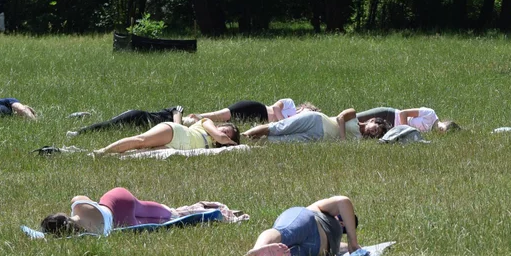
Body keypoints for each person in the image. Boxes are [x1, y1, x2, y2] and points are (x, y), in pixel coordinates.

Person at [238, 195, 360, 256]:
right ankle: (258, 249)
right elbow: (343, 201)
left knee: (281, 254)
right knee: (284, 232)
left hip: (310, 255)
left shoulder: (337, 241)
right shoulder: (318, 209)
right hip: (310, 224)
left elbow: (344, 248)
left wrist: (357, 248)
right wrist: (353, 242)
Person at [40, 188, 174, 236]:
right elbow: (87, 199)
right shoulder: (77, 203)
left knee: (156, 222)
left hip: (123, 222)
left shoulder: (88, 234)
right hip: (117, 199)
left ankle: (173, 215)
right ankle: (172, 211)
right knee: (152, 209)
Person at [93, 118, 239, 155]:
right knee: (141, 141)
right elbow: (220, 137)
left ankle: (111, 156)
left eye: (228, 134)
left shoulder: (214, 148)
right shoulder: (207, 123)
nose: (225, 134)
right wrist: (230, 142)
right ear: (220, 126)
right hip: (176, 133)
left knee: (139, 153)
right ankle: (103, 151)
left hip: (175, 147)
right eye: (225, 130)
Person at [242, 109, 388, 143]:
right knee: (277, 128)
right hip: (317, 120)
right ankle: (243, 136)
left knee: (279, 140)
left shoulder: (359, 140)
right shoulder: (353, 115)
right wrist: (343, 138)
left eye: (377, 133)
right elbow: (340, 118)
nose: (375, 130)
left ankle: (246, 144)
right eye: (376, 126)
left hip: (318, 137)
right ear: (372, 120)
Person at [67, 106, 182, 138]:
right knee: (110, 124)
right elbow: (178, 127)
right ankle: (78, 133)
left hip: (140, 128)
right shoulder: (177, 111)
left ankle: (84, 116)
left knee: (111, 129)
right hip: (138, 117)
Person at [184, 99, 318, 125]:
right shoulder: (291, 105)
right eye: (309, 110)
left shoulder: (297, 122)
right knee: (222, 115)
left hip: (259, 121)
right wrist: (285, 122)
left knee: (225, 123)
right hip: (257, 109)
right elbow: (277, 108)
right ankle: (193, 117)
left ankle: (196, 123)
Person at [357, 107, 458, 133]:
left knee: (358, 133)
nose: (441, 130)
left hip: (389, 130)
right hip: (389, 116)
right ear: (446, 123)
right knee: (355, 119)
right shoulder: (430, 114)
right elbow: (403, 113)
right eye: (444, 128)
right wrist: (406, 130)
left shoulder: (429, 132)